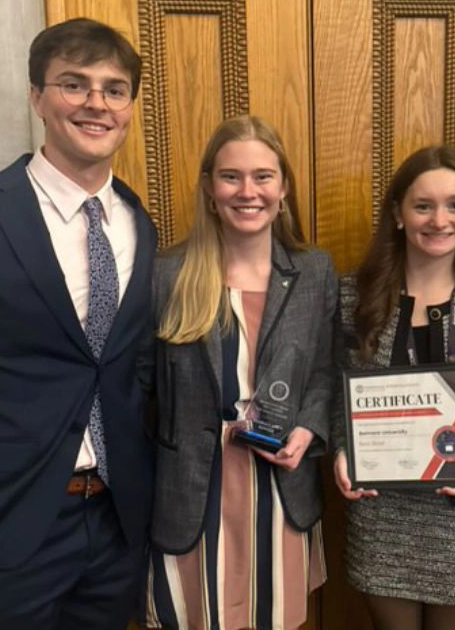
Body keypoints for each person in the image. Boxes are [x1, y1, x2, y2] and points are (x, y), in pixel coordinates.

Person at [0, 18, 158, 629]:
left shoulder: (139, 224)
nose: (95, 104)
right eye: (73, 84)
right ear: (37, 96)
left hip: (115, 526)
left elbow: (127, 370)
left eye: (114, 89)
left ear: (131, 106)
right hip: (3, 535)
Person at [141, 115, 337, 630]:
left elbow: (324, 370)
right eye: (231, 176)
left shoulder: (314, 271)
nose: (247, 191)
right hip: (189, 489)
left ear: (284, 186)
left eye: (263, 176)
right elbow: (140, 390)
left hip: (279, 484)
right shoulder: (166, 275)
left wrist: (309, 427)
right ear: (209, 187)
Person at [333, 145, 455, 630]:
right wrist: (343, 450)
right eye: (423, 205)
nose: (439, 219)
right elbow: (337, 393)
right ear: (398, 215)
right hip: (383, 518)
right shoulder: (354, 295)